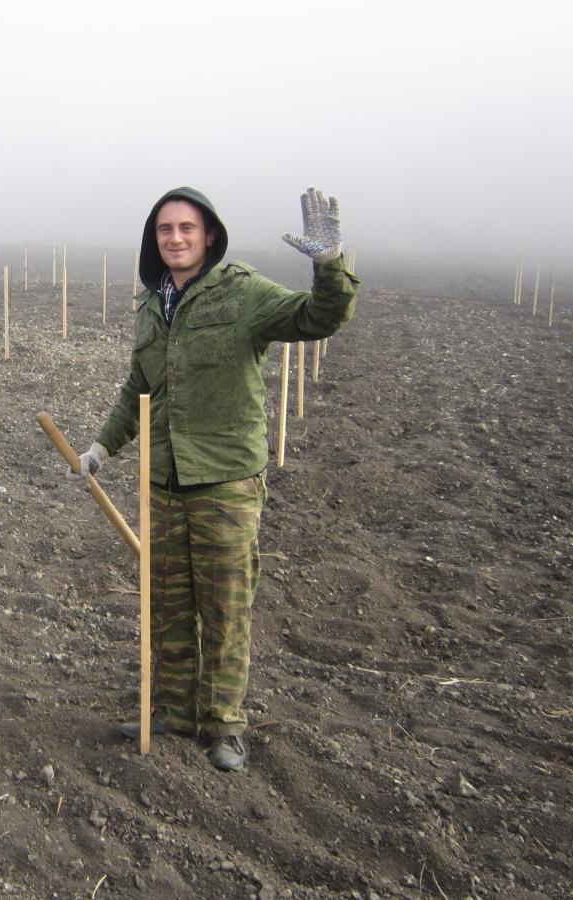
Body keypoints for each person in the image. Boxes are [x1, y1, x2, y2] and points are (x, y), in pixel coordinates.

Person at [68, 187, 358, 772]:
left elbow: (319, 317)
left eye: (186, 228)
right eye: (164, 230)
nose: (175, 238)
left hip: (225, 480)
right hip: (164, 480)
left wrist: (329, 264)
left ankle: (224, 725)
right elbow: (138, 389)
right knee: (168, 604)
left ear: (209, 236)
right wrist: (104, 444)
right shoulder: (151, 307)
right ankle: (174, 710)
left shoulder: (242, 291)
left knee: (225, 607)